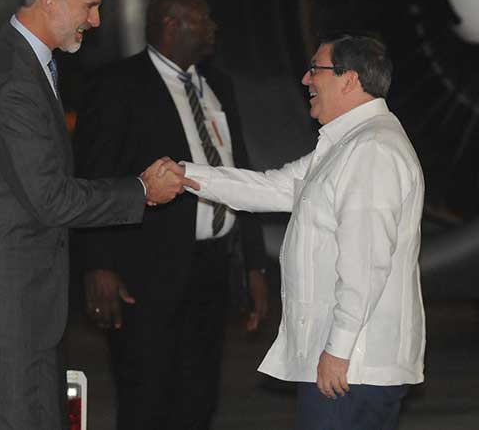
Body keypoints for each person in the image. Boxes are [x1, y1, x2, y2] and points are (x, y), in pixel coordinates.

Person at [0, 0, 192, 430]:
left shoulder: (24, 63)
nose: (95, 20)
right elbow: (50, 197)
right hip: (3, 312)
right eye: (89, 5)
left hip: (20, 306)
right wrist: (141, 190)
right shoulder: (14, 78)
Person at [163, 34, 426, 430]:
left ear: (349, 80)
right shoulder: (346, 145)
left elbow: (366, 263)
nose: (305, 79)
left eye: (315, 70)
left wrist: (338, 350)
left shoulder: (372, 150)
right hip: (347, 365)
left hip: (354, 366)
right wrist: (186, 176)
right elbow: (273, 187)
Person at [73, 0, 269, 430]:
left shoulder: (218, 85)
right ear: (170, 24)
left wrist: (254, 264)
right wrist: (97, 265)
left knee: (198, 396)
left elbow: (240, 172)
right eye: (203, 20)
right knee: (146, 396)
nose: (213, 29)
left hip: (211, 267)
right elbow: (94, 179)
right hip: (146, 270)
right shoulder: (118, 85)